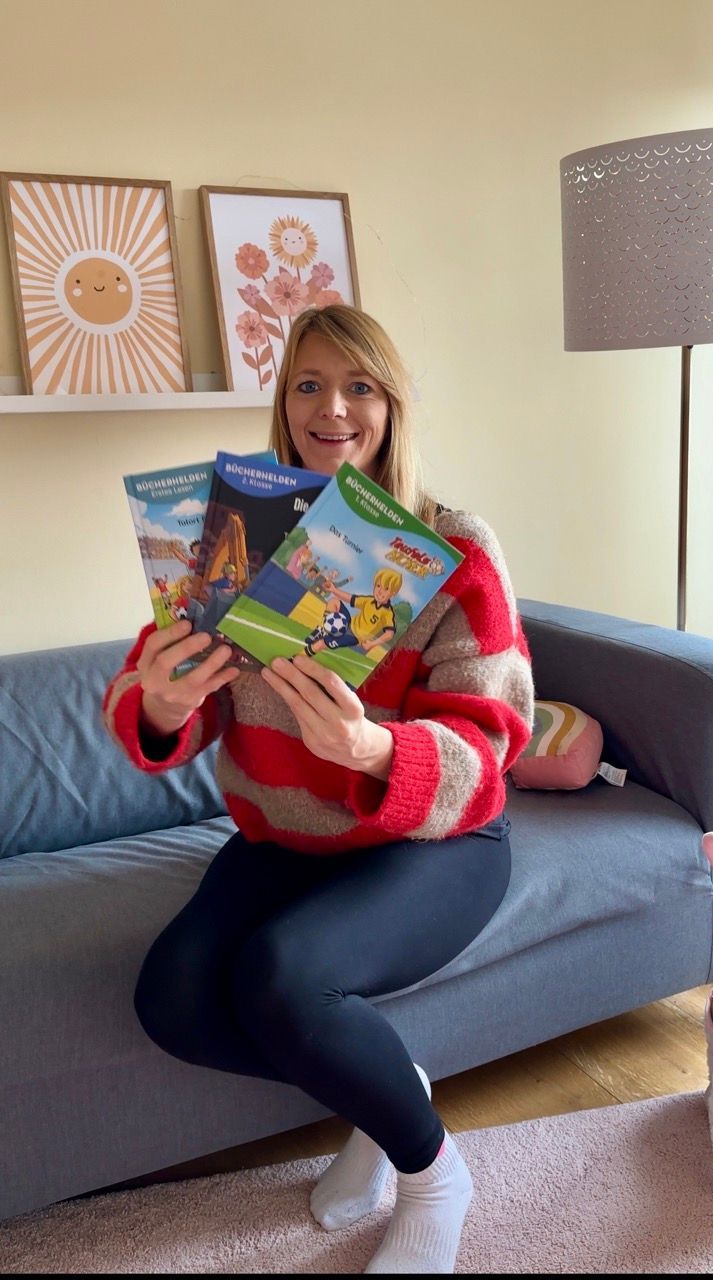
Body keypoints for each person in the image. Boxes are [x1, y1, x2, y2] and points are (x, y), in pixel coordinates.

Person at [102, 304, 534, 1274]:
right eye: (308, 384)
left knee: (283, 975)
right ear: (283, 401)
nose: (330, 408)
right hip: (284, 838)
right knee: (172, 999)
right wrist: (163, 699)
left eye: (357, 386)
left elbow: (489, 746)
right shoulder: (241, 529)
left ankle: (434, 1174)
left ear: (391, 403)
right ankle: (387, 1090)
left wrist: (375, 748)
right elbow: (157, 702)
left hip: (433, 842)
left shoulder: (455, 544)